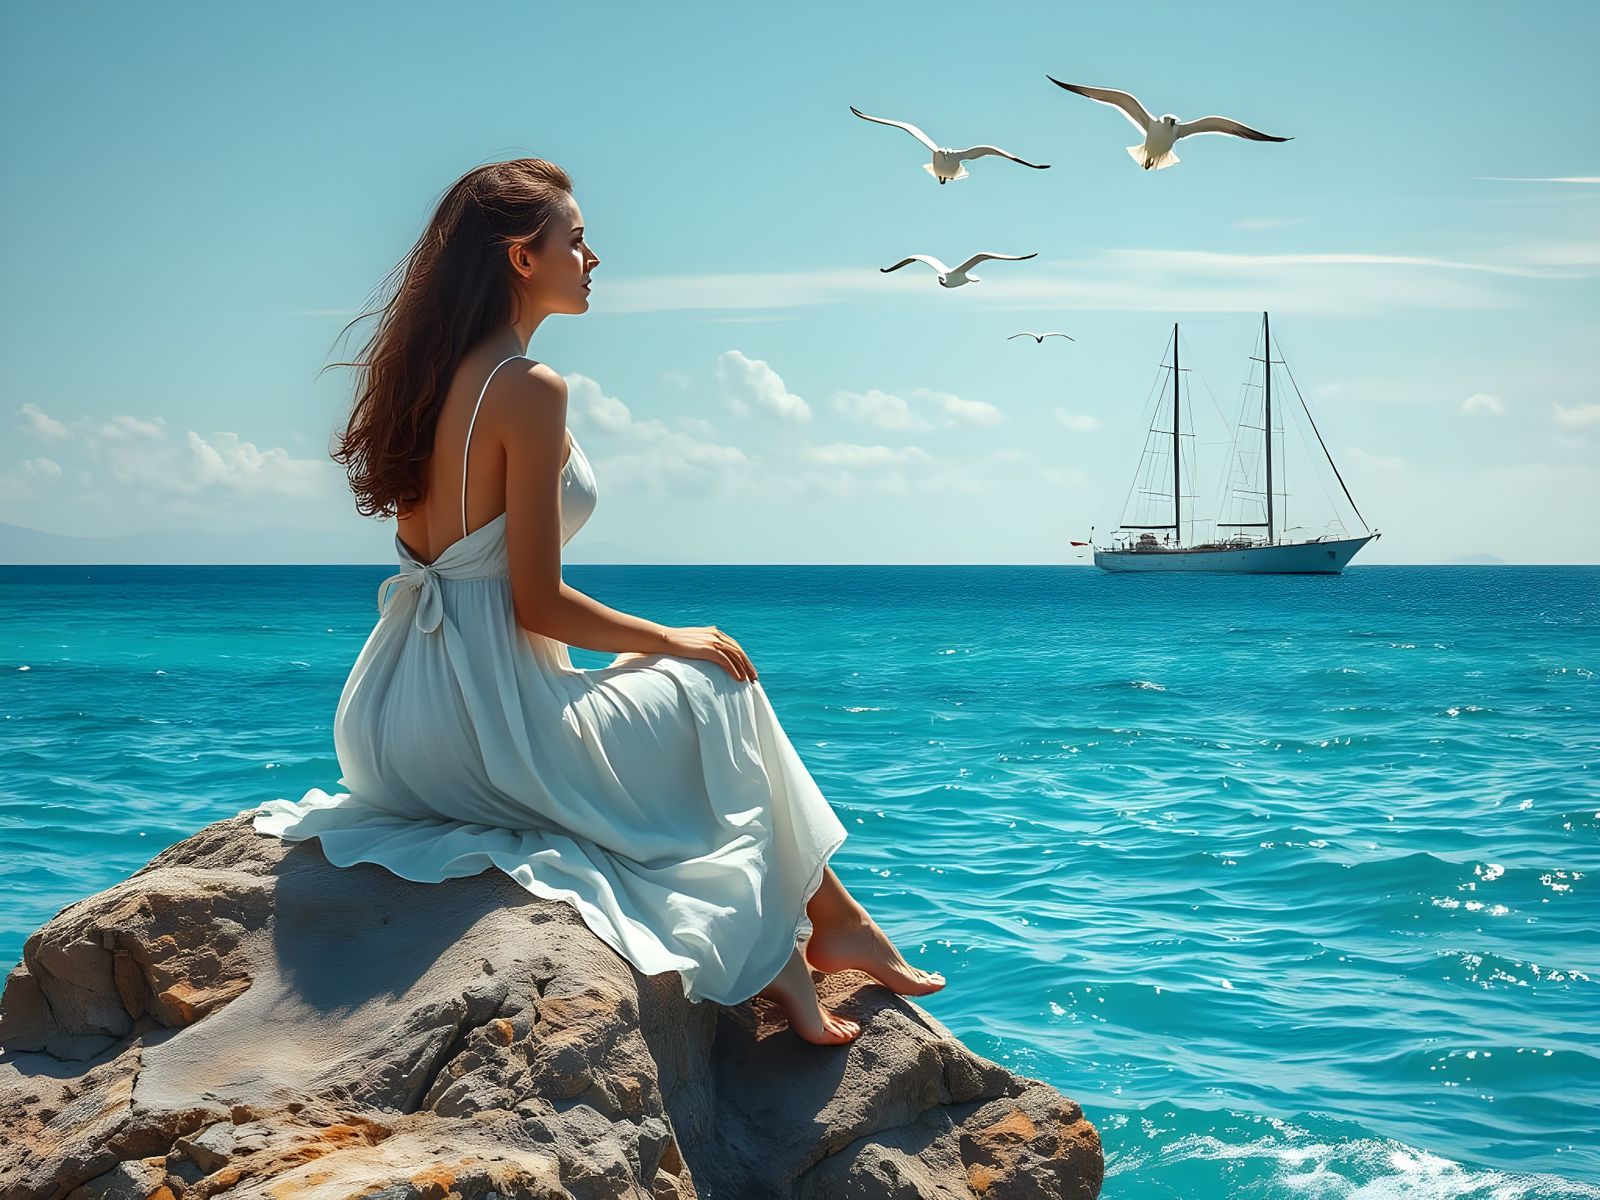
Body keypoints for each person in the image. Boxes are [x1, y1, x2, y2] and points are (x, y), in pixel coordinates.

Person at [251, 158, 944, 1046]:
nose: (594, 257)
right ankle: (801, 937)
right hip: (486, 732)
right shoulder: (526, 390)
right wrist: (673, 636)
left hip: (388, 727)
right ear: (520, 259)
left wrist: (653, 647)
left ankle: (829, 920)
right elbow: (537, 604)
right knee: (715, 679)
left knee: (666, 671)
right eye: (574, 239)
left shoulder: (428, 381)